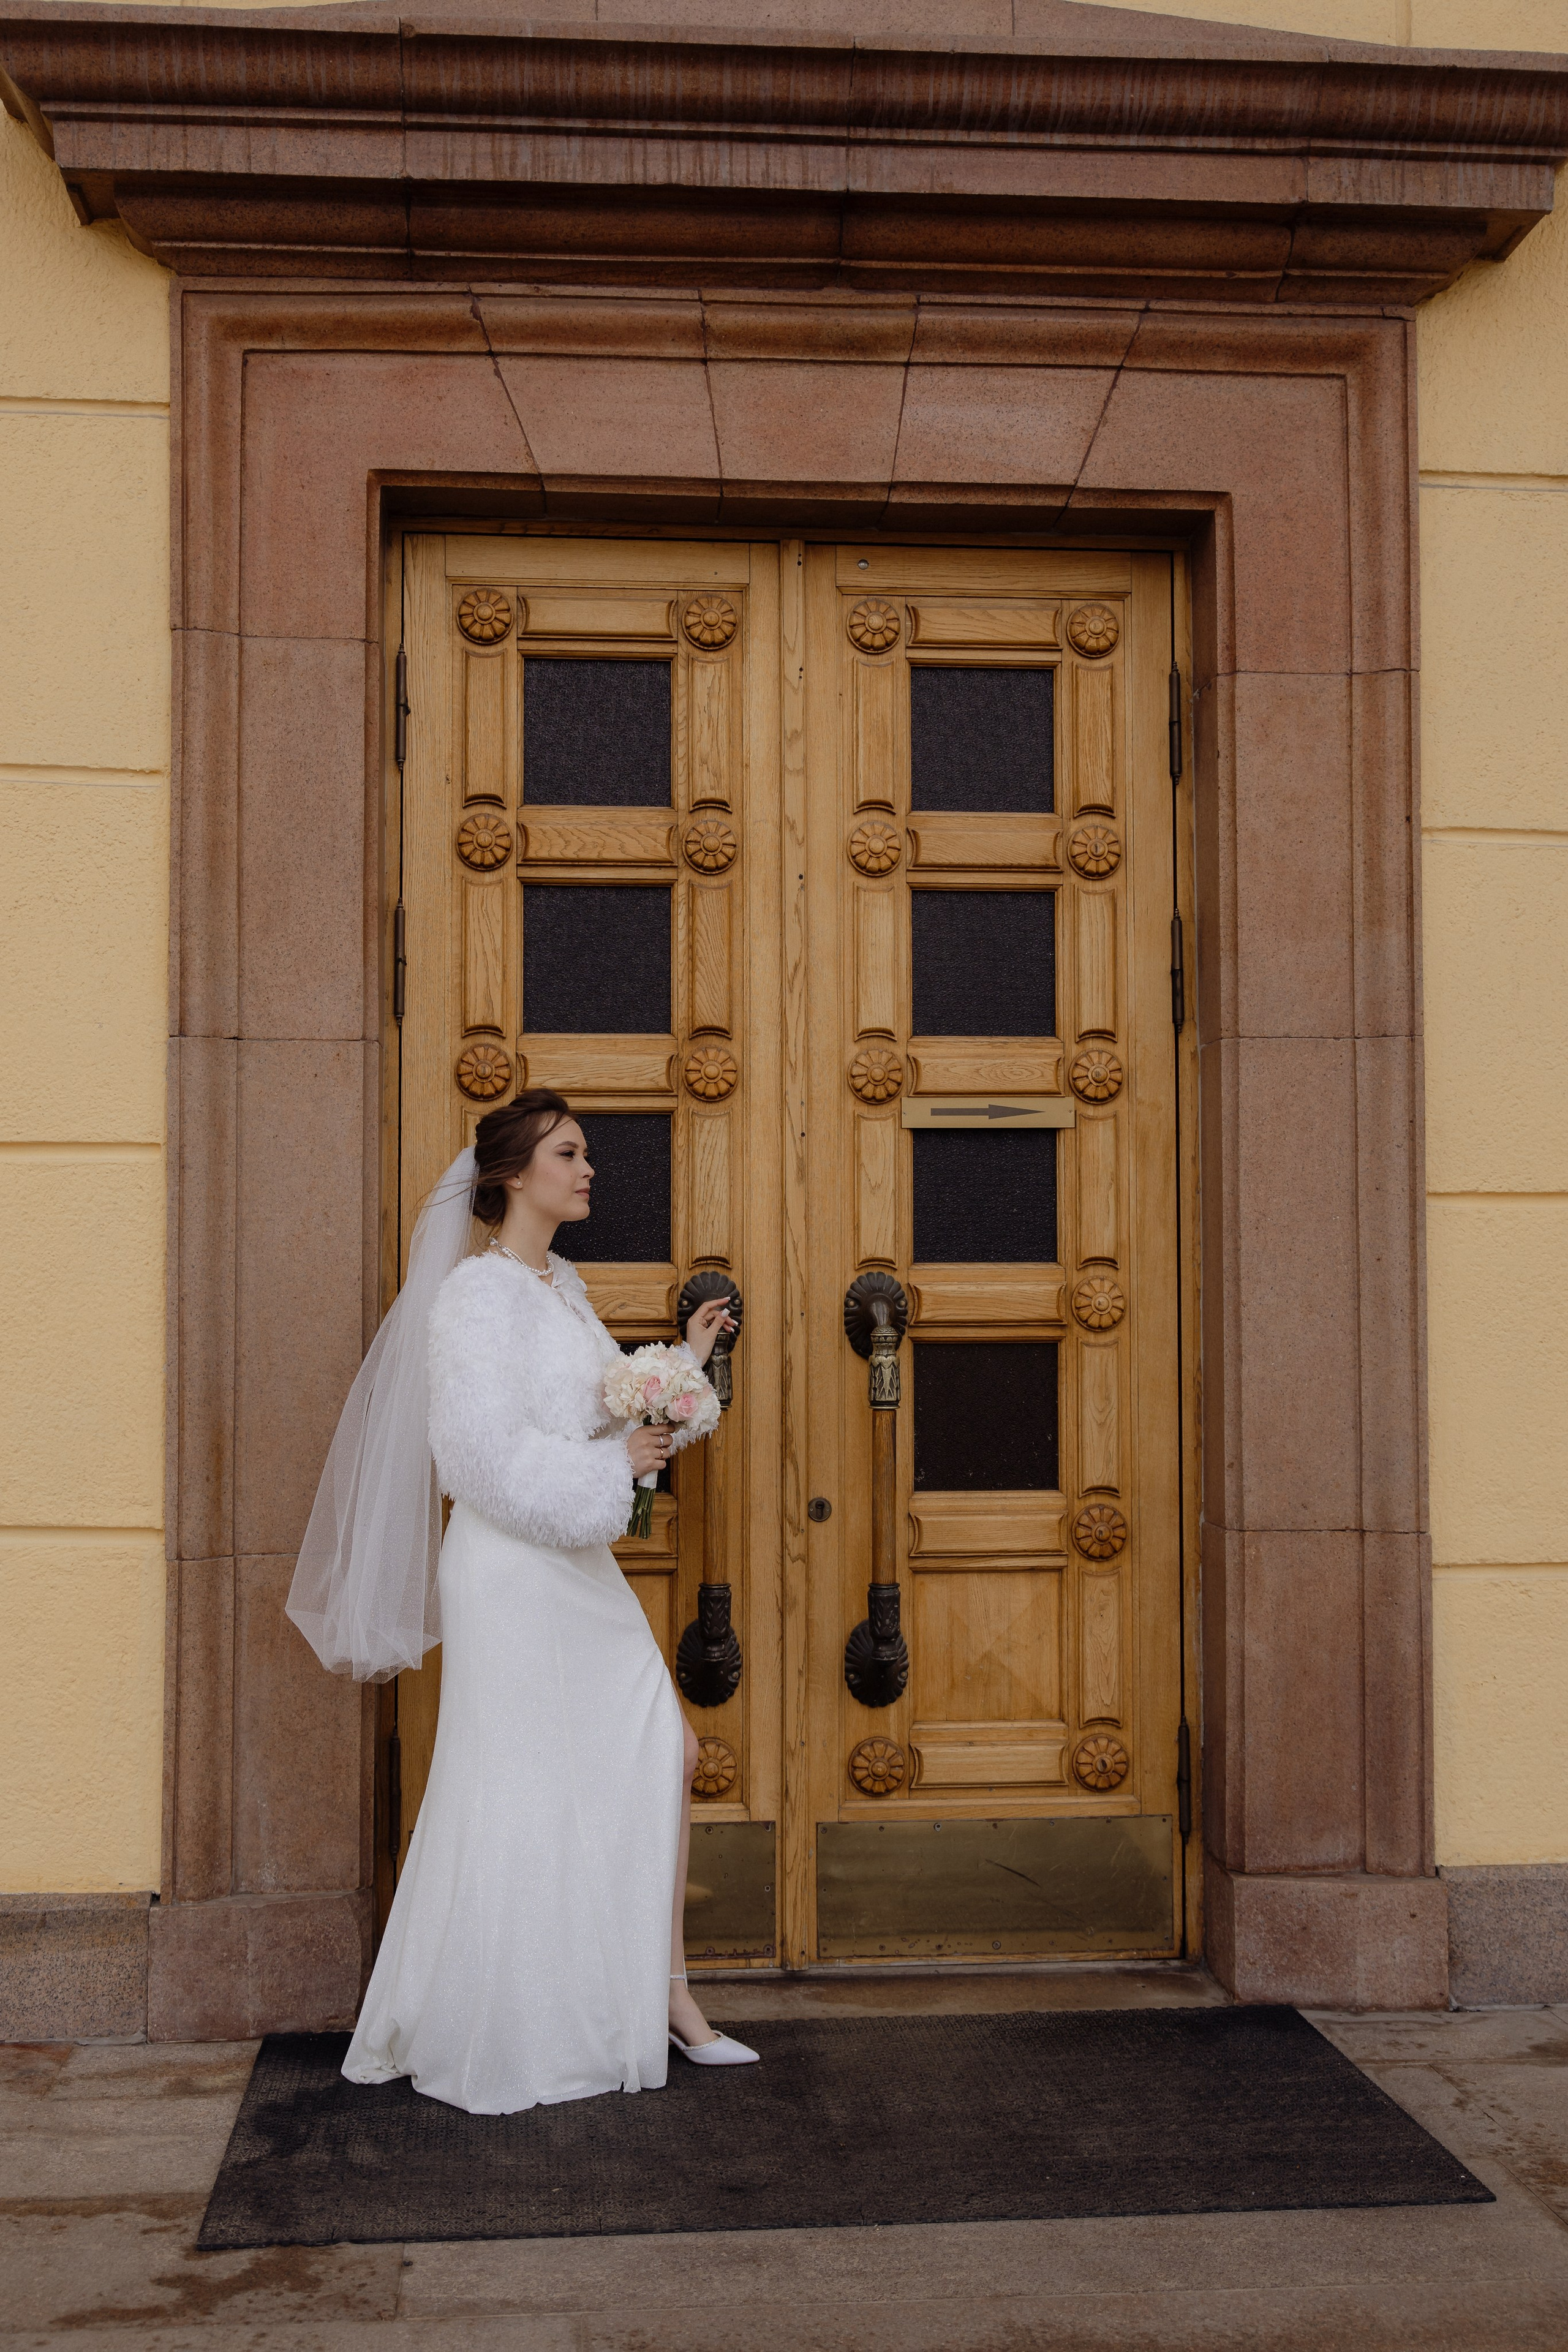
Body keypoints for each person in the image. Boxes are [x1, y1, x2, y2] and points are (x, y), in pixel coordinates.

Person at [285, 1087, 758, 2114]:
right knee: (514, 1781)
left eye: (586, 1155)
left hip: (573, 1565)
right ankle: (516, 2017)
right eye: (569, 1155)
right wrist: (613, 1475)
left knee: (660, 1750)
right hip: (508, 1566)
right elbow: (475, 1458)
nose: (588, 1171)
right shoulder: (473, 1298)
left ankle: (666, 1991)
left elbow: (607, 1413)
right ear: (511, 1176)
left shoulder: (562, 1288)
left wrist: (689, 1367)